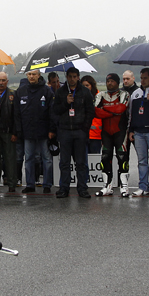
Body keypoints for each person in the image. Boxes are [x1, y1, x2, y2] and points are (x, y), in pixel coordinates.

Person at [52, 67, 96, 198]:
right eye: (69, 76)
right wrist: (66, 103)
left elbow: (90, 111)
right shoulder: (60, 92)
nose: (72, 79)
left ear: (78, 77)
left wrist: (85, 128)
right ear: (67, 77)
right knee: (64, 162)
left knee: (81, 163)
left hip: (79, 131)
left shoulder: (85, 92)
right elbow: (55, 111)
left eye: (74, 76)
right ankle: (64, 188)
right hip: (65, 131)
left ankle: (82, 188)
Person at [15, 69, 56, 193]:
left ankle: (47, 184)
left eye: (34, 74)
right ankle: (30, 184)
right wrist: (18, 130)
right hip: (27, 131)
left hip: (44, 131)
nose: (31, 76)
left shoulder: (47, 91)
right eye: (29, 74)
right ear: (27, 76)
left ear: (39, 76)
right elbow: (17, 113)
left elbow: (52, 112)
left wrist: (51, 129)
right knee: (29, 159)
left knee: (47, 159)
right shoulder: (20, 91)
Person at [125, 67, 149, 197]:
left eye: (145, 78)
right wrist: (131, 130)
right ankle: (143, 187)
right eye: (141, 78)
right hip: (139, 132)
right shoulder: (135, 93)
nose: (143, 80)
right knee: (142, 161)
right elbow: (131, 114)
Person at [94, 73, 129, 196]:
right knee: (105, 158)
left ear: (117, 82)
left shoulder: (124, 94)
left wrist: (105, 108)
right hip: (106, 133)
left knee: (122, 158)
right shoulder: (100, 95)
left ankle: (124, 186)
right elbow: (96, 112)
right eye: (108, 81)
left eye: (112, 81)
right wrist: (112, 112)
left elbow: (121, 109)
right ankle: (107, 186)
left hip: (120, 132)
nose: (110, 83)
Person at [81, 76, 102, 155]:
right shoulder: (79, 98)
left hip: (96, 134)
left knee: (94, 158)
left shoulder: (99, 97)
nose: (85, 88)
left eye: (87, 85)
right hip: (83, 134)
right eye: (83, 86)